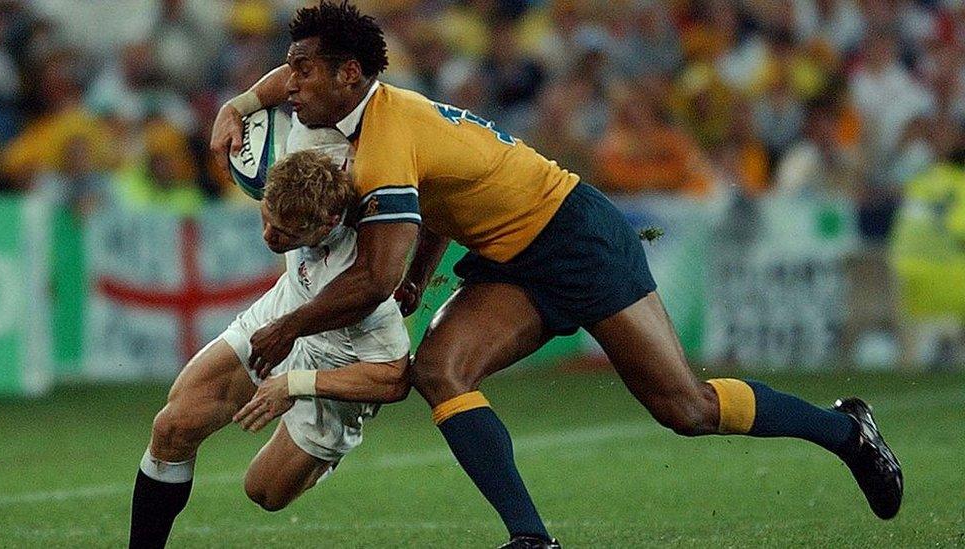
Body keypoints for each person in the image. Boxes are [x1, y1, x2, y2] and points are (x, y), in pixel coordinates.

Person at [210, 3, 903, 547]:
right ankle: (531, 536)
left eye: (303, 70)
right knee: (440, 369)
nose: (290, 85)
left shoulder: (386, 139)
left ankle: (846, 430)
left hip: (576, 237)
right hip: (513, 260)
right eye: (289, 69)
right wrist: (237, 104)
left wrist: (286, 326)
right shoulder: (368, 112)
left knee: (686, 409)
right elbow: (440, 208)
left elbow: (373, 277)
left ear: (349, 76)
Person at [128, 144, 411, 549]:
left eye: (286, 234)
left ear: (329, 221)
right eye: (267, 217)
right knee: (174, 426)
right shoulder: (298, 169)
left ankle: (320, 455)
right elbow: (293, 86)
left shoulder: (365, 285)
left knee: (264, 492)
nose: (269, 235)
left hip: (339, 360)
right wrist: (241, 106)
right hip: (284, 313)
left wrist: (296, 383)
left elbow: (394, 380)